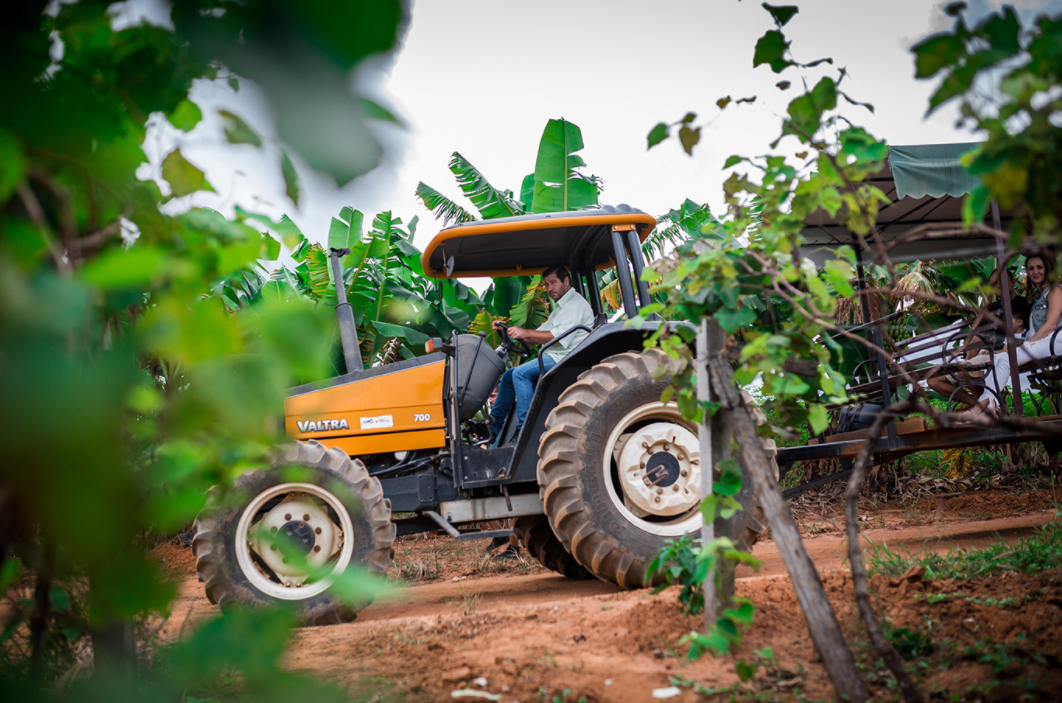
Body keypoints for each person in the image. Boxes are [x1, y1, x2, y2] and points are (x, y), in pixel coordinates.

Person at [488, 265, 594, 441]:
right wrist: (510, 332)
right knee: (508, 375)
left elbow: (558, 338)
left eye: (553, 282)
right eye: (546, 284)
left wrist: (525, 333)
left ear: (566, 281)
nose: (549, 288)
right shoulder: (560, 308)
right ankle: (493, 428)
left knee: (520, 374)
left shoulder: (575, 305)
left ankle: (525, 430)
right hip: (555, 356)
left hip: (567, 359)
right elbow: (538, 335)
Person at [968, 252, 1062, 416]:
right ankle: (987, 405)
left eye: (1039, 267)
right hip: (1044, 343)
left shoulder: (1055, 291)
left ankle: (984, 405)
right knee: (998, 358)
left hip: (1056, 341)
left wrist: (1025, 345)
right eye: (1031, 268)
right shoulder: (1038, 296)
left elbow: (1050, 325)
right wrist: (1001, 350)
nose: (1035, 272)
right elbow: (1031, 333)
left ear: (1047, 269)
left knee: (1007, 358)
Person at [928, 266, 1030, 409]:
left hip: (999, 355)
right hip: (980, 356)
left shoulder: (1025, 305)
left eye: (1002, 281)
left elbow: (1029, 336)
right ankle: (980, 405)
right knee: (933, 381)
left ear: (1013, 282)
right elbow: (973, 335)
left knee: (967, 369)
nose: (999, 285)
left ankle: (983, 405)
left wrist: (1000, 350)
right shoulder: (989, 309)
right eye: (994, 284)